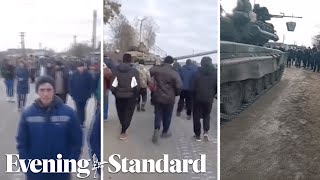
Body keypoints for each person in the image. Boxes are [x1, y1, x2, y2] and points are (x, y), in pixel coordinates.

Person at [16, 76, 83, 180]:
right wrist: (26, 166)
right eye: (42, 90)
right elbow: (22, 143)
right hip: (35, 171)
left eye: (49, 90)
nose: (46, 94)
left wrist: (70, 164)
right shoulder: (28, 114)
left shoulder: (68, 113)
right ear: (37, 92)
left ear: (54, 91)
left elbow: (76, 142)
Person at [149, 56, 182, 144]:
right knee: (167, 115)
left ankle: (156, 129)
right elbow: (179, 86)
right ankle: (164, 132)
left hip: (158, 96)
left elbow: (150, 71)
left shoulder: (157, 70)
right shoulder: (174, 73)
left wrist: (157, 65)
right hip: (169, 98)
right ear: (171, 63)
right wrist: (176, 93)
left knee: (158, 113)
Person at [110, 53, 140, 140]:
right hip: (130, 96)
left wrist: (115, 93)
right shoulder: (134, 71)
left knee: (121, 112)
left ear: (123, 60)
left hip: (119, 96)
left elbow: (112, 86)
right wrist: (135, 95)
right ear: (130, 60)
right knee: (128, 113)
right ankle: (123, 130)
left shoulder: (115, 70)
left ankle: (123, 126)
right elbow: (137, 87)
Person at [192, 57, 217, 141]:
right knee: (207, 115)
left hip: (197, 98)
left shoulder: (196, 73)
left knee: (196, 116)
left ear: (201, 63)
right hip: (209, 98)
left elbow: (192, 86)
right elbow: (217, 87)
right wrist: (213, 94)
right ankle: (206, 132)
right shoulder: (215, 73)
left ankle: (197, 135)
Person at [69, 62, 94, 127]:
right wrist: (71, 93)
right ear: (77, 68)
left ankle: (82, 121)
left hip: (84, 95)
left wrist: (90, 92)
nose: (80, 68)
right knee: (78, 108)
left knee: (83, 108)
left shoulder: (88, 75)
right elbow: (70, 84)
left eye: (81, 67)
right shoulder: (74, 75)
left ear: (84, 67)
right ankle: (79, 121)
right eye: (79, 67)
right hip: (76, 94)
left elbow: (91, 84)